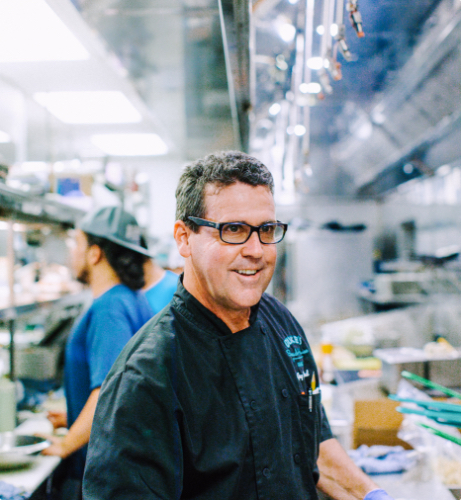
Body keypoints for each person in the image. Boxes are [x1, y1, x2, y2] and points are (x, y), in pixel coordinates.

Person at [83, 152, 394, 500]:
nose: (256, 250)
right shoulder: (145, 377)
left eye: (266, 230)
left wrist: (371, 495)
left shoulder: (284, 325)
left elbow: (315, 443)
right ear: (184, 238)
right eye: (233, 230)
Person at [41, 206, 153, 495]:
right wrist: (74, 414)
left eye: (77, 243)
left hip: (99, 474)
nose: (72, 253)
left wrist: (64, 446)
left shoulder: (109, 308)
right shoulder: (133, 299)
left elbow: (108, 393)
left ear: (95, 253)